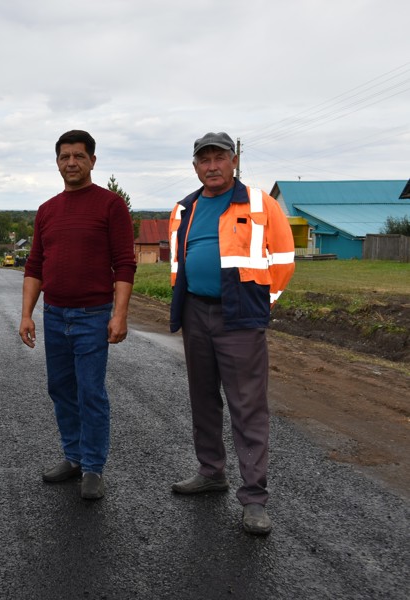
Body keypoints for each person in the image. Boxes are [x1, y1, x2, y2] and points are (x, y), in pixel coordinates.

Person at [168, 132, 295, 535]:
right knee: (203, 399)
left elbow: (285, 260)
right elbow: (179, 261)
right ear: (195, 166)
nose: (212, 166)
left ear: (234, 160)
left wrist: (262, 302)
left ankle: (254, 498)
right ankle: (211, 472)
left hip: (240, 316)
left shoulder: (261, 203)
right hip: (196, 312)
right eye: (203, 159)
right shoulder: (183, 208)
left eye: (219, 157)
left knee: (247, 407)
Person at [19, 130, 136, 500]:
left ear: (92, 161)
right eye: (65, 156)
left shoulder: (110, 205)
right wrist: (26, 314)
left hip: (93, 316)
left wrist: (119, 315)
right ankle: (72, 457)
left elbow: (125, 264)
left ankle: (93, 468)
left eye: (79, 156)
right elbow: (34, 265)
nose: (71, 162)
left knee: (90, 392)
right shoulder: (47, 210)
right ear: (57, 162)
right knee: (61, 389)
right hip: (54, 315)